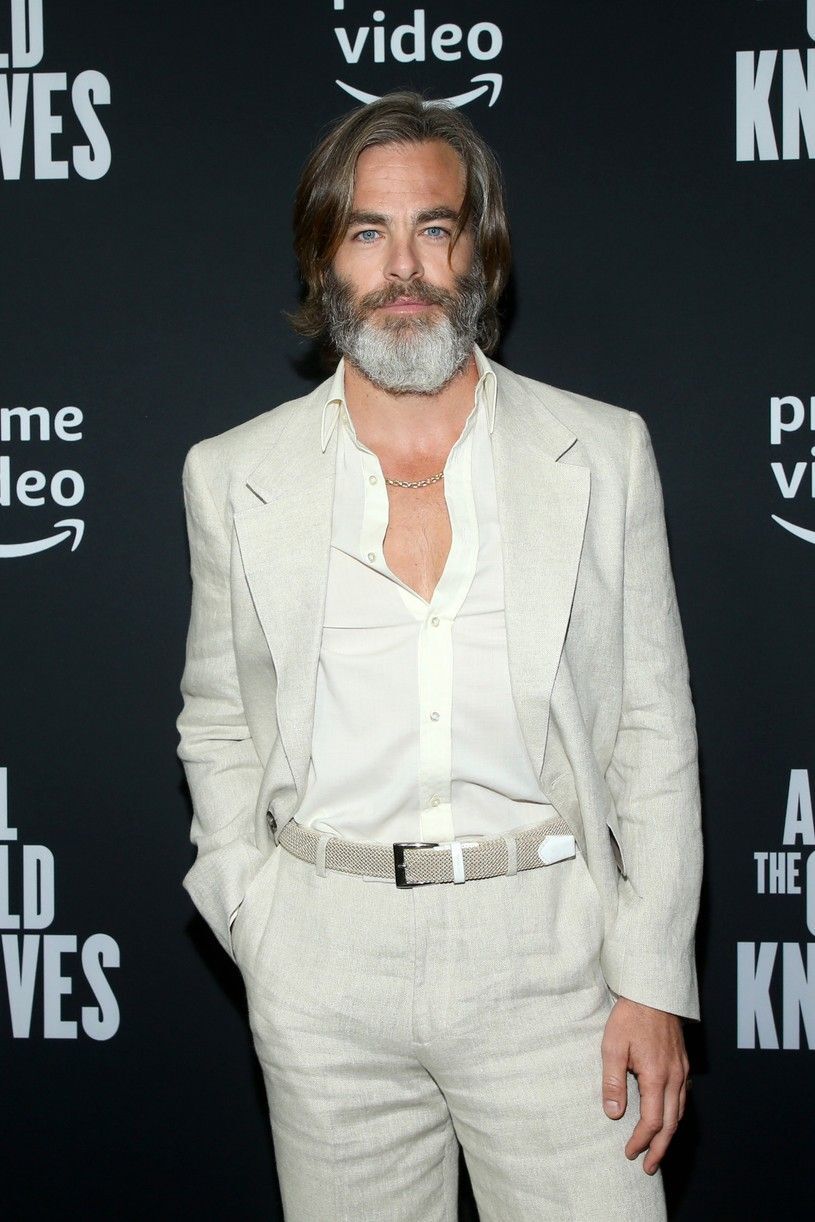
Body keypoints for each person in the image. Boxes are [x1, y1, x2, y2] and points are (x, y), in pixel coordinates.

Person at [176, 90, 702, 1221]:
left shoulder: (601, 452)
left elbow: (650, 730)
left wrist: (652, 978)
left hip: (550, 959)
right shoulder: (232, 474)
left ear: (480, 254)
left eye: (434, 228)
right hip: (324, 962)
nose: (403, 266)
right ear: (324, 261)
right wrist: (254, 915)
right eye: (366, 232)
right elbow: (216, 716)